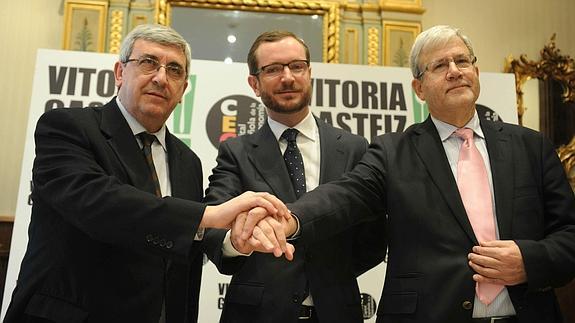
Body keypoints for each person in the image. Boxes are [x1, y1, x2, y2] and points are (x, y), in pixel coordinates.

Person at [243, 25, 575, 322]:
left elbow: (569, 233)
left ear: (476, 71)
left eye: (462, 61)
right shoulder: (393, 152)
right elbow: (344, 194)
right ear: (419, 87)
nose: (455, 72)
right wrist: (290, 218)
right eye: (440, 66)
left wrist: (530, 260)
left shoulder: (532, 146)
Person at [3, 24, 289, 323]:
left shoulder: (187, 161)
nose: (161, 78)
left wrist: (234, 241)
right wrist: (207, 216)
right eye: (148, 63)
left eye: (174, 70)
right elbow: (99, 204)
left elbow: (184, 247)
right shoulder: (67, 127)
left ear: (183, 91)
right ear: (119, 72)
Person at [201, 31, 387, 323]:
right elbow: (213, 227)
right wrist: (237, 243)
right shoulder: (235, 152)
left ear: (309, 72)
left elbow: (374, 238)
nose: (287, 77)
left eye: (296, 66)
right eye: (273, 69)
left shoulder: (354, 148)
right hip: (256, 315)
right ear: (254, 83)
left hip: (337, 312)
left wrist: (331, 274)